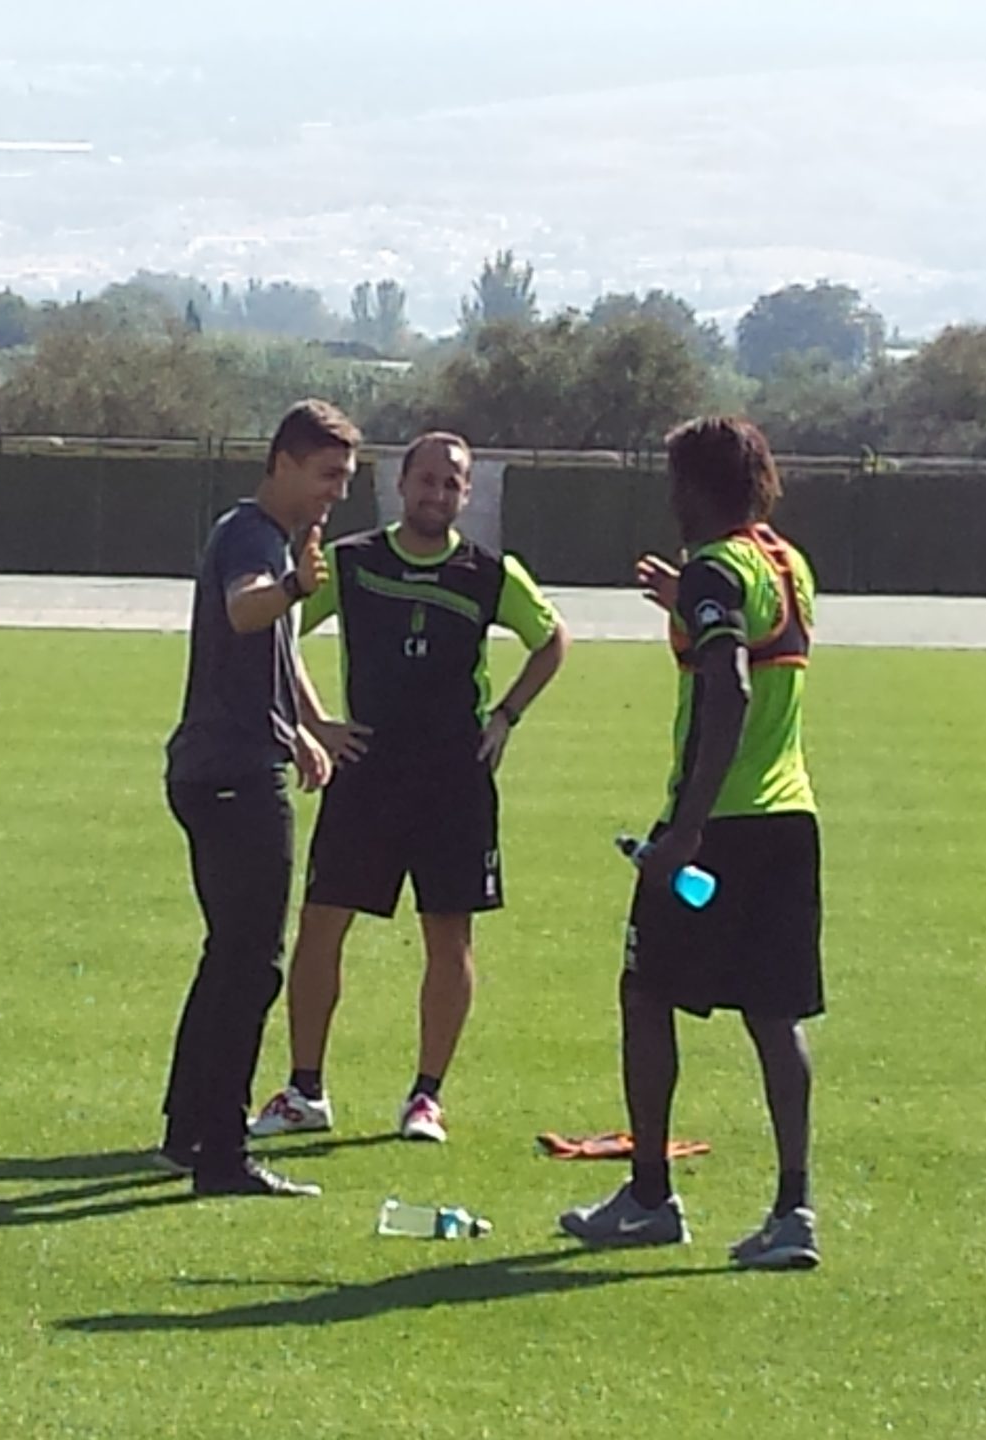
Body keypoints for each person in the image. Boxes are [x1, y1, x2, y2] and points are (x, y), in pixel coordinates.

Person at [248, 431, 568, 1145]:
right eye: (426, 481)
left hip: (456, 778)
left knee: (448, 936)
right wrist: (315, 721)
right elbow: (280, 629)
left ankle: (425, 1098)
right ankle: (305, 1090)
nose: (436, 494)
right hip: (367, 772)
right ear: (402, 486)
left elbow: (552, 641)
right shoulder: (353, 562)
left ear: (467, 494)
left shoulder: (489, 573)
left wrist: (507, 716)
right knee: (322, 924)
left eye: (451, 484)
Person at [557, 416, 824, 1271]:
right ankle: (793, 1210)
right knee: (774, 1016)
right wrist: (690, 602)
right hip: (791, 816)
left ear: (700, 486)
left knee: (645, 993)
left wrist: (689, 830)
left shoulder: (715, 565)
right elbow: (752, 636)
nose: (669, 496)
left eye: (677, 481)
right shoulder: (782, 560)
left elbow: (731, 687)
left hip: (723, 823)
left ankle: (648, 1196)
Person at [156, 399, 359, 1198]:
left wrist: (307, 724)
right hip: (235, 777)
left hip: (221, 765)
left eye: (343, 478)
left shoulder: (270, 539)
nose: (335, 493)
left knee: (228, 960)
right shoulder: (253, 539)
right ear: (282, 463)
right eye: (326, 475)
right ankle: (223, 1155)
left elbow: (273, 640)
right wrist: (291, 585)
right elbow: (249, 609)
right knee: (252, 967)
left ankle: (186, 1131)